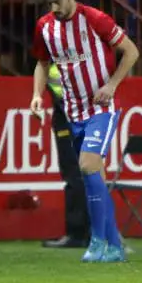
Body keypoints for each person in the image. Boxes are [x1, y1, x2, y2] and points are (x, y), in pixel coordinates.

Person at [29, 0, 140, 263]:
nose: (53, 8)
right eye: (49, 2)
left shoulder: (95, 19)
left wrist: (112, 84)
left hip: (101, 108)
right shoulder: (44, 27)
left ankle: (98, 241)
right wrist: (37, 95)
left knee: (87, 165)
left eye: (57, 0)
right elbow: (42, 63)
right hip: (71, 111)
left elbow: (131, 51)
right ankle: (114, 246)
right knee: (94, 176)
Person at [41, 63, 90, 249]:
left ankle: (78, 233)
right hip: (71, 117)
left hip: (70, 119)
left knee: (75, 176)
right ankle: (91, 232)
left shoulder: (61, 59)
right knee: (80, 175)